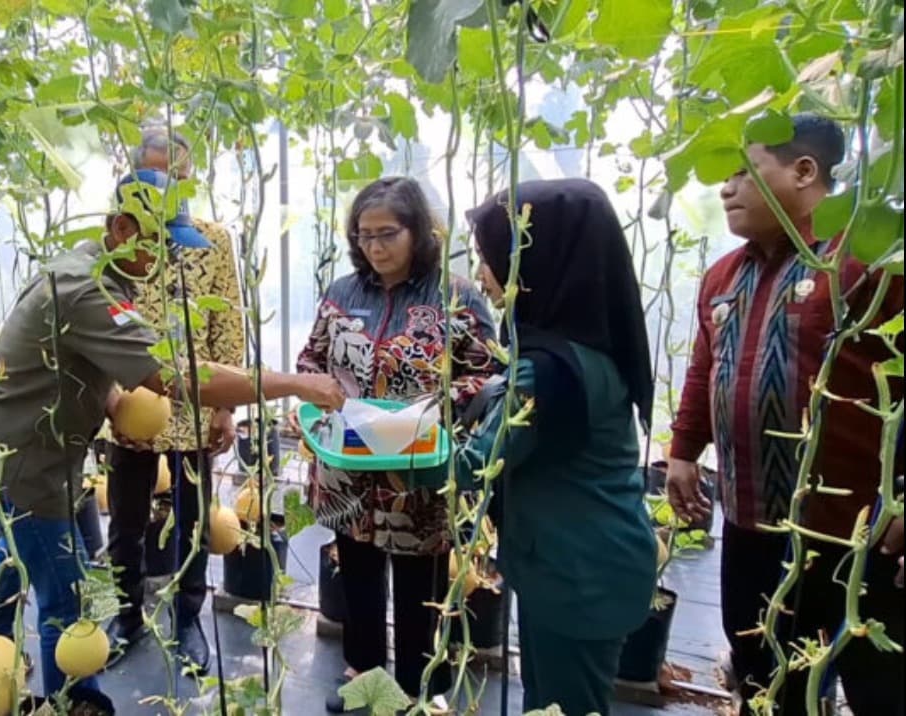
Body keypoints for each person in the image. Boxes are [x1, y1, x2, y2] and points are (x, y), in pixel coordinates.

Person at [0, 169, 344, 703]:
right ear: (119, 228)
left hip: (13, 451)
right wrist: (296, 382)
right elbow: (175, 376)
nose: (165, 257)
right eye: (156, 242)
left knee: (12, 558)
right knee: (66, 606)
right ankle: (77, 703)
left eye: (172, 245)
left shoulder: (83, 269)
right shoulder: (88, 289)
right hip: (24, 463)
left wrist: (109, 399)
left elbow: (68, 358)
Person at [665, 113, 904, 715]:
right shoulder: (723, 275)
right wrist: (683, 450)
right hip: (750, 526)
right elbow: (704, 368)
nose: (725, 188)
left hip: (859, 536)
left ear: (804, 172)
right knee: (765, 680)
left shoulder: (870, 262)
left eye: (745, 172)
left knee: (880, 687)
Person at [295, 176, 497, 710]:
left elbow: (485, 376)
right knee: (357, 577)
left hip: (417, 473)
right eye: (364, 236)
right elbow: (311, 361)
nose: (375, 247)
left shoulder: (456, 297)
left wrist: (426, 413)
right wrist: (319, 398)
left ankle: (416, 688)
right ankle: (365, 679)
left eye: (387, 234)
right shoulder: (342, 293)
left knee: (419, 588)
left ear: (419, 233)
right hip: (349, 470)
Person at [460, 178, 658, 716]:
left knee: (561, 706)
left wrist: (380, 447)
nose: (481, 273)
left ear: (538, 261)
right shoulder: (584, 346)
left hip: (578, 577)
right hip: (586, 566)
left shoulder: (545, 370)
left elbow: (475, 465)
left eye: (492, 257)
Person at [103, 129, 245, 673]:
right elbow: (101, 322)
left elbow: (227, 323)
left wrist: (226, 406)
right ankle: (127, 614)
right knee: (127, 520)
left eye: (178, 178)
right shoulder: (120, 239)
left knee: (192, 519)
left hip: (193, 405)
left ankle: (188, 618)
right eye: (156, 177)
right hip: (133, 409)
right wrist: (111, 398)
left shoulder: (211, 239)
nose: (169, 187)